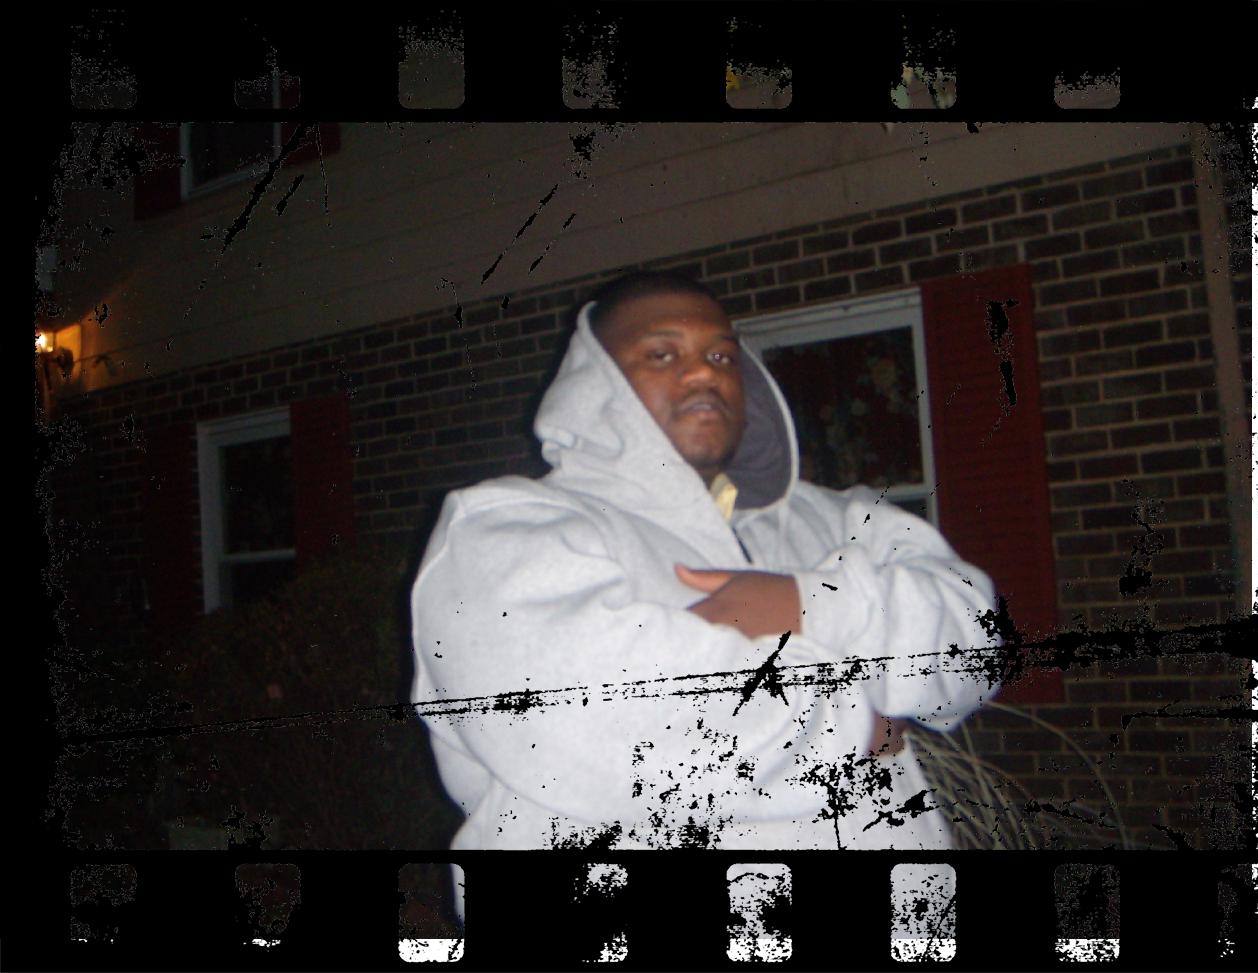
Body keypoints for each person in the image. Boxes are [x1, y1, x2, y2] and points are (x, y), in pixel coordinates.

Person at [410, 272, 1000, 868]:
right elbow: (611, 722)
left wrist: (806, 604)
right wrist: (860, 719)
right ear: (596, 384)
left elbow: (976, 644)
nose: (704, 373)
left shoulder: (836, 519)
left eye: (721, 356)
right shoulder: (505, 527)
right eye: (662, 354)